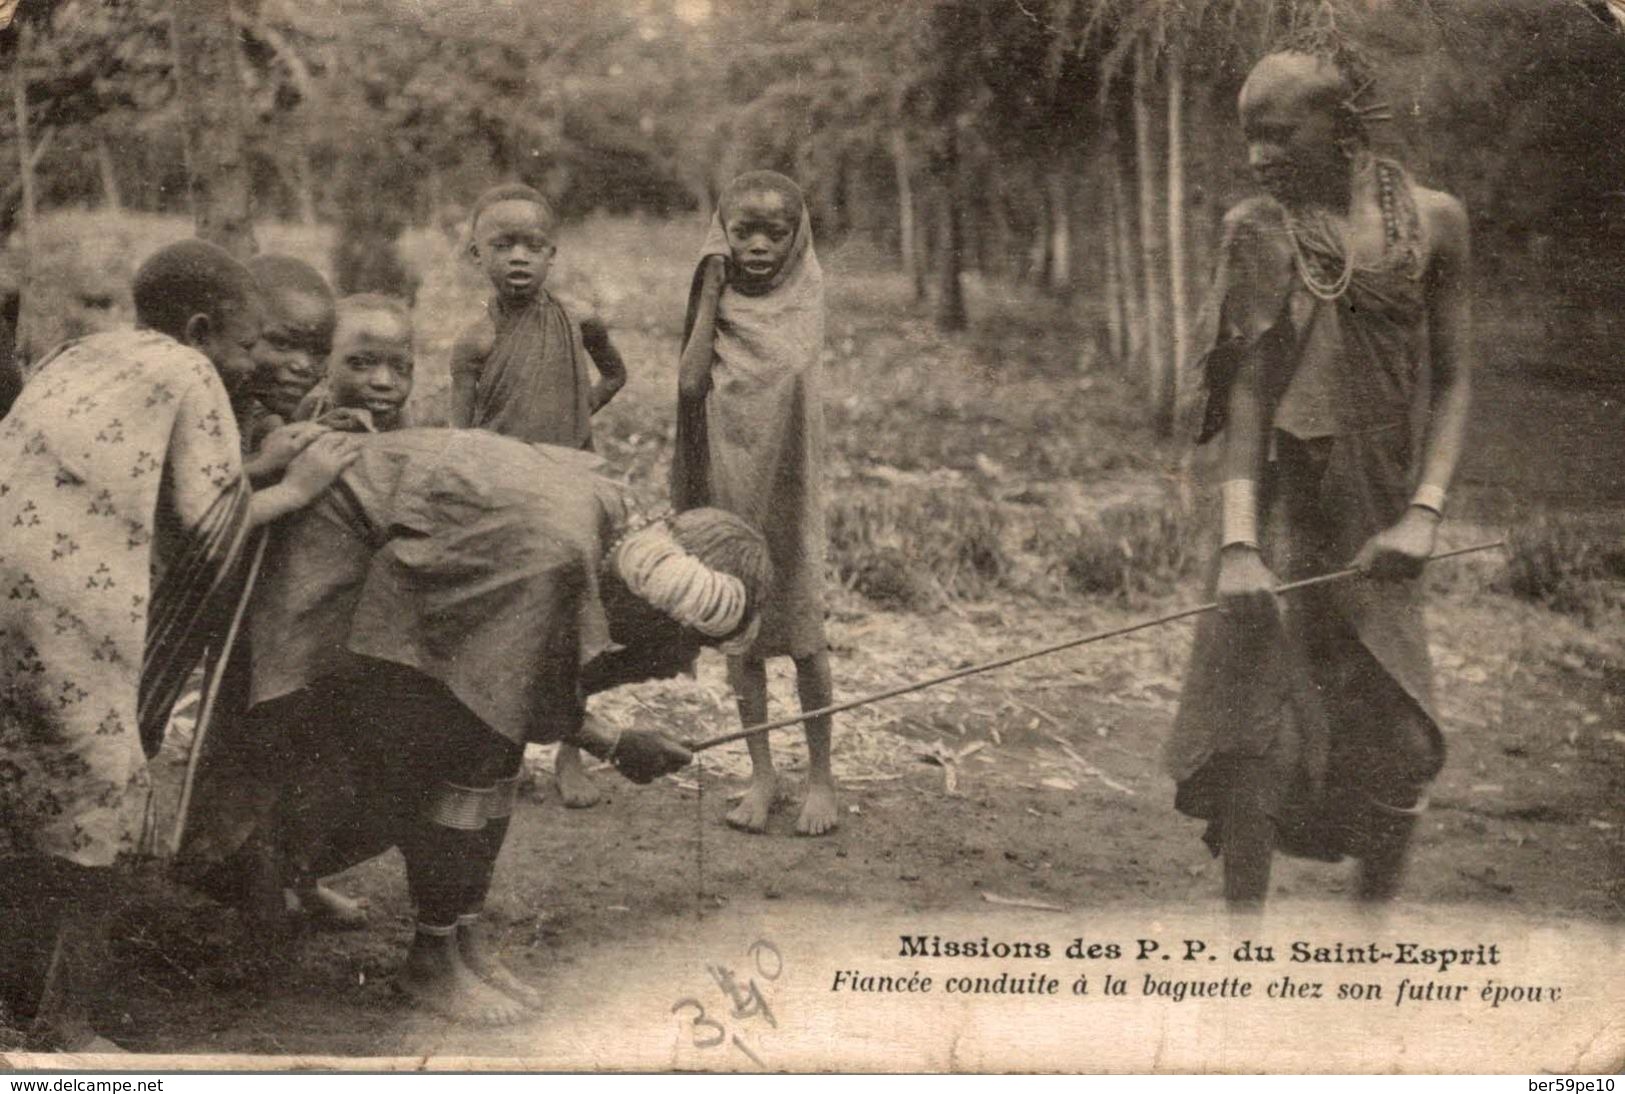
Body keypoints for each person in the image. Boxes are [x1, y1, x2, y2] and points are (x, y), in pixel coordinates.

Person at [178, 428, 768, 1025]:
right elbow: (504, 704)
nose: (683, 666)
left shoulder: (611, 532)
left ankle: (455, 940)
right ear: (659, 609)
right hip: (330, 541)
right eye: (690, 644)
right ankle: (424, 955)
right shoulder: (555, 558)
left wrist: (612, 742)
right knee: (458, 757)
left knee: (480, 754)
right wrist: (612, 742)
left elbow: (533, 682)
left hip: (400, 540)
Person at [0, 239, 357, 1050]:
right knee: (110, 806)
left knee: (29, 791)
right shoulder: (190, 373)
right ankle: (69, 1026)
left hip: (12, 595)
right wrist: (295, 488)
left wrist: (253, 467)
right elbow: (202, 528)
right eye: (246, 342)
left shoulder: (83, 352)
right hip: (69, 613)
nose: (249, 361)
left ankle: (21, 979)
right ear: (201, 329)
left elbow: (142, 487)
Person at [1165, 45, 1473, 910]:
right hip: (1275, 510)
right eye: (1246, 136)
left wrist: (1424, 514)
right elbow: (1251, 393)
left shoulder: (1436, 222)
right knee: (1252, 733)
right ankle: (1241, 945)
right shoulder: (1257, 229)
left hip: (1379, 510)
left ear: (1340, 128)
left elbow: (1452, 381)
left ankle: (1366, 939)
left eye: (1275, 133)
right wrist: (1236, 546)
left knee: (1399, 730)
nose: (1257, 155)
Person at [447, 183, 629, 809]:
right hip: (504, 496)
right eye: (502, 245)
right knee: (507, 626)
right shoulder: (474, 342)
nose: (518, 258)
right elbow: (461, 437)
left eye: (532, 246)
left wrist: (580, 418)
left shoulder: (578, 320)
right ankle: (503, 750)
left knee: (575, 623)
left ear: (553, 254)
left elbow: (615, 374)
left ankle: (571, 754)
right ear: (476, 255)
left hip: (572, 484)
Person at [672, 169, 837, 836]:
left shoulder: (804, 297)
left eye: (775, 232)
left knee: (804, 638)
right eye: (743, 231)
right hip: (732, 481)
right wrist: (709, 285)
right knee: (742, 632)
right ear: (722, 234)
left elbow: (792, 377)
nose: (759, 245)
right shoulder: (719, 299)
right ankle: (762, 773)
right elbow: (688, 385)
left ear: (797, 239)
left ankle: (822, 777)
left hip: (791, 493)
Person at [239, 255, 338, 458]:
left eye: (319, 351)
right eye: (282, 344)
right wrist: (294, 488)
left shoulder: (255, 413)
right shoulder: (198, 399)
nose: (303, 365)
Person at [296, 293, 415, 432]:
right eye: (361, 363)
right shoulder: (304, 413)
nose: (384, 382)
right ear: (325, 365)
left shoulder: (406, 428)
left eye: (401, 368)